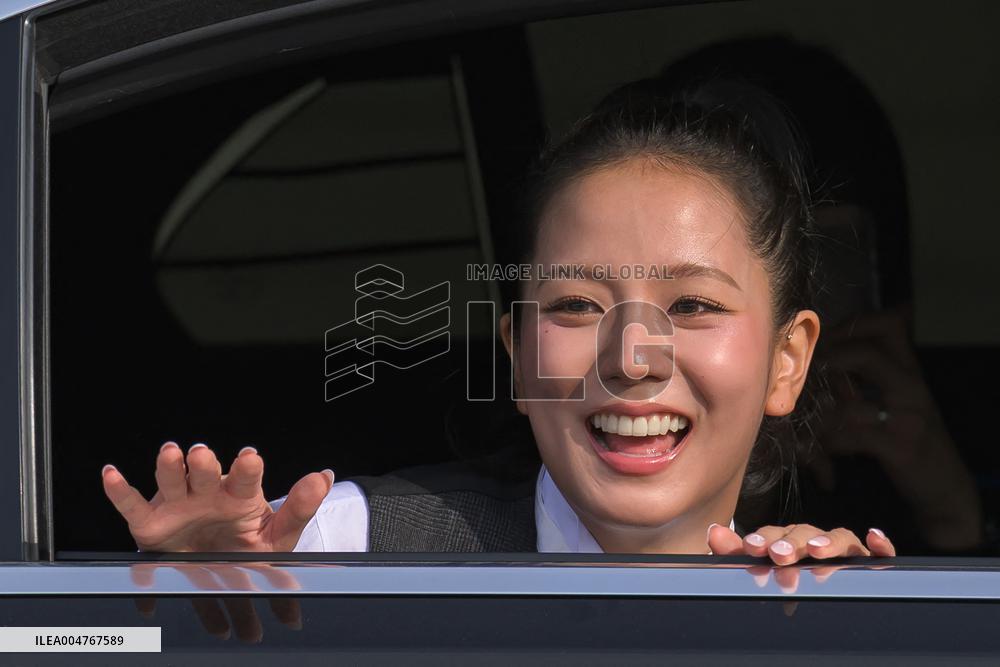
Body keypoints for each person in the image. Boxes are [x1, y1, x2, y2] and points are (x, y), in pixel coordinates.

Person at [99, 73, 896, 563]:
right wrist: (181, 604)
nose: (633, 357)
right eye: (578, 304)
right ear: (517, 357)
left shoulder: (817, 596)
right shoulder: (353, 549)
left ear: (788, 361)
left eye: (692, 305)